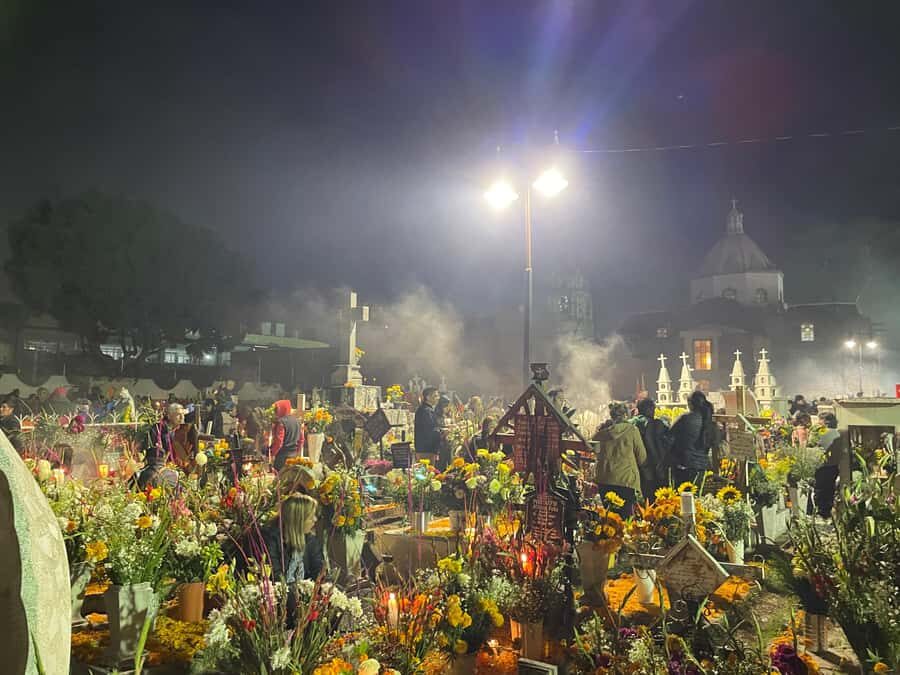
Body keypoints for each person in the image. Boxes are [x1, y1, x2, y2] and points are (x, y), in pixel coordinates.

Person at [592, 402, 647, 515]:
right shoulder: (632, 431)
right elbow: (642, 457)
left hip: (604, 479)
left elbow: (591, 446)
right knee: (625, 519)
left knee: (608, 518)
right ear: (626, 415)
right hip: (625, 480)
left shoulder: (603, 434)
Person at [667, 391, 715, 486]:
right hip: (702, 466)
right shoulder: (710, 421)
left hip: (684, 465)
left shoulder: (685, 418)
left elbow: (669, 436)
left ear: (690, 403)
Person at [631, 398, 670, 499]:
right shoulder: (654, 423)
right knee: (655, 497)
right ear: (648, 409)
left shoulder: (630, 423)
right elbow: (652, 442)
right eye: (653, 408)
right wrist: (659, 461)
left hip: (634, 465)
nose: (654, 411)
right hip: (652, 465)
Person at [813, 413, 842, 518]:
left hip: (823, 465)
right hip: (834, 466)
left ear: (826, 422)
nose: (818, 423)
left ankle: (822, 512)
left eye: (820, 420)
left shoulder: (823, 433)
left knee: (821, 489)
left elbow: (817, 447)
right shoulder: (838, 433)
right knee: (830, 489)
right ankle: (828, 510)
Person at [269, 399, 302, 471]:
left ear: (281, 409)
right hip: (293, 456)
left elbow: (279, 442)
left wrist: (272, 454)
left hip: (282, 458)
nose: (276, 412)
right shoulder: (297, 421)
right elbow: (301, 440)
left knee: (280, 480)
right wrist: (297, 453)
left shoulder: (281, 422)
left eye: (277, 410)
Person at [414, 387, 442, 463]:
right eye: (435, 396)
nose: (438, 398)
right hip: (426, 449)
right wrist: (442, 431)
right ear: (428, 397)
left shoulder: (427, 409)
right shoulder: (425, 411)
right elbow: (429, 430)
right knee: (426, 472)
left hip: (426, 448)